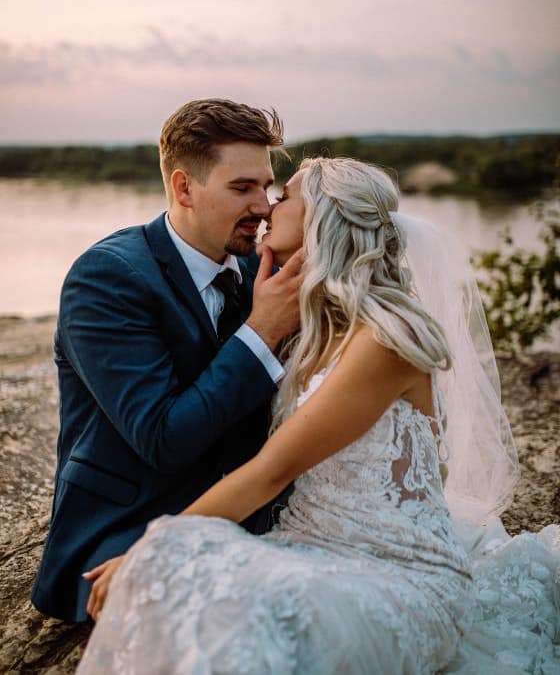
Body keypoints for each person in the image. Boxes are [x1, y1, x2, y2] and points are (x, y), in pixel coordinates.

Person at [79, 158, 560, 674]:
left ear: (321, 221)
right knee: (186, 578)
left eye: (281, 196)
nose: (266, 207)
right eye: (252, 189)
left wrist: (147, 547)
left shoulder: (382, 341)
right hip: (309, 547)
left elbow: (271, 471)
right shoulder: (308, 326)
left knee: (188, 575)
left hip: (395, 575)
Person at [31, 98, 303, 622]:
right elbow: (162, 437)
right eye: (242, 187)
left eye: (266, 188)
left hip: (254, 521)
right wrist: (262, 331)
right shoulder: (107, 278)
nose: (264, 207)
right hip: (126, 529)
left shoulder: (258, 272)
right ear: (183, 188)